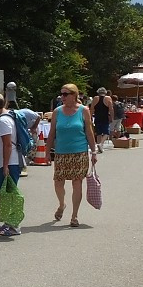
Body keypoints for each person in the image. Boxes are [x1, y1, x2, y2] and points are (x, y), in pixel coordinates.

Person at [46, 83, 98, 228]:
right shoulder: (57, 111)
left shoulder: (84, 110)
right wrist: (47, 151)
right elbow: (52, 133)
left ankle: (74, 215)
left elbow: (89, 132)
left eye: (65, 94)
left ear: (74, 95)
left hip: (79, 152)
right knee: (58, 182)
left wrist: (93, 151)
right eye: (61, 94)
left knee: (77, 183)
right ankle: (62, 205)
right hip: (61, 153)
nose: (62, 97)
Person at [0, 92, 23, 236]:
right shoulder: (6, 117)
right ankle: (8, 224)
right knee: (6, 194)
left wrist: (6, 165)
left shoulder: (3, 121)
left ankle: (14, 226)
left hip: (10, 163)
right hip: (9, 162)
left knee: (10, 195)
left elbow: (7, 145)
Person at [90, 88, 114, 152]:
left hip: (97, 117)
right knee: (106, 132)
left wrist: (90, 117)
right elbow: (111, 109)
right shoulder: (108, 98)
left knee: (98, 133)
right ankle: (101, 144)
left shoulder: (95, 98)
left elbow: (92, 109)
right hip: (105, 117)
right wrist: (112, 117)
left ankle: (99, 146)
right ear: (105, 92)